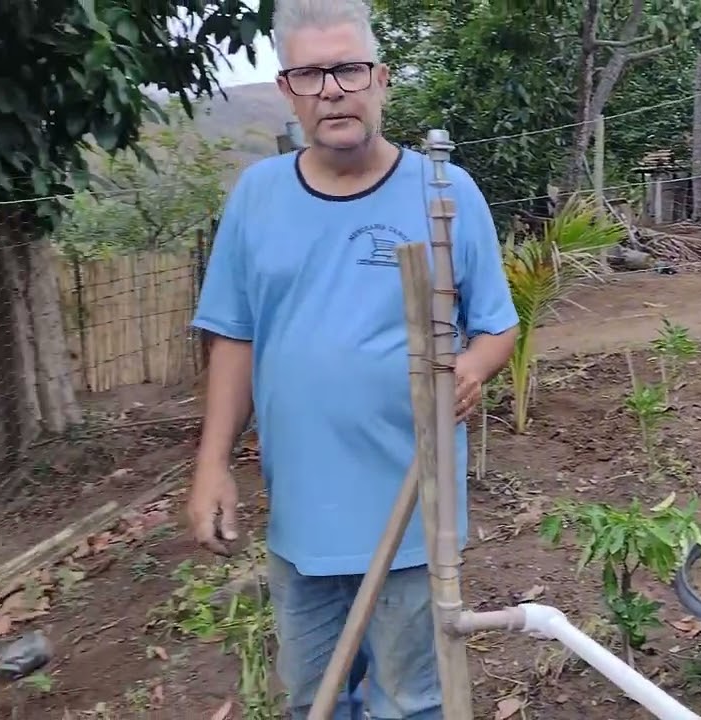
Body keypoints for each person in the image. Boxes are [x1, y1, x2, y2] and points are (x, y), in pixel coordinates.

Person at [184, 0, 519, 717]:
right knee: (315, 698)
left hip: (415, 518)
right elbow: (234, 337)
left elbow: (497, 328)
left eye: (349, 69)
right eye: (310, 74)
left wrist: (473, 368)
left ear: (381, 79)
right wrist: (212, 464)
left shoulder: (446, 192)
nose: (332, 90)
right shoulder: (257, 197)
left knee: (410, 702)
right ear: (288, 90)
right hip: (301, 521)